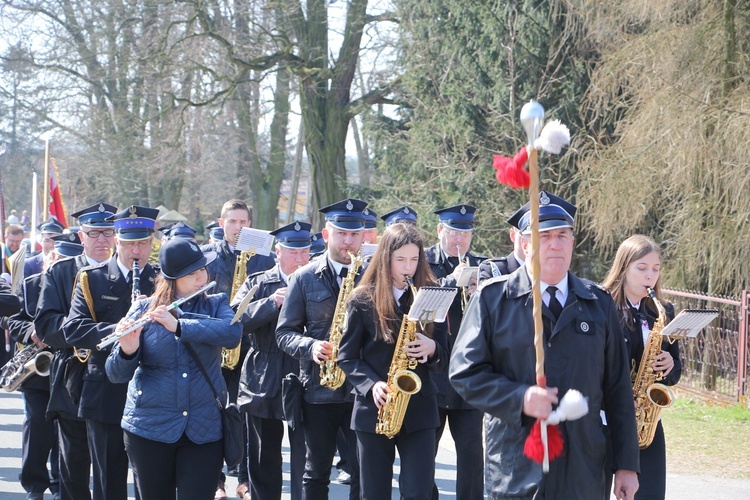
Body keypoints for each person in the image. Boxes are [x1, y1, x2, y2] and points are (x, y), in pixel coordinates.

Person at [449, 191, 640, 499]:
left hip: (582, 464)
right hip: (517, 463)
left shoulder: (597, 303)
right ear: (525, 244)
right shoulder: (493, 299)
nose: (554, 244)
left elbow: (618, 388)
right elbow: (464, 373)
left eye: (563, 235)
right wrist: (520, 398)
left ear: (572, 242)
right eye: (544, 235)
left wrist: (627, 464)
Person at [105, 237, 241, 499]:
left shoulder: (216, 304)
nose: (201, 277)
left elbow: (231, 332)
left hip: (203, 429)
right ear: (173, 278)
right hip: (149, 428)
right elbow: (115, 374)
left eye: (202, 269)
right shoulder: (144, 308)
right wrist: (127, 349)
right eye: (192, 273)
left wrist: (179, 324)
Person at [337, 222, 448, 499]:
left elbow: (445, 354)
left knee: (419, 492)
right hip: (374, 409)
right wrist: (371, 385)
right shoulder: (362, 298)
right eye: (400, 260)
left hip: (419, 409)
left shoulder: (432, 293)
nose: (408, 267)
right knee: (373, 493)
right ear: (385, 259)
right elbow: (347, 356)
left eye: (413, 259)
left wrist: (432, 347)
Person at [63, 205, 160, 500]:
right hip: (105, 390)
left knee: (153, 481)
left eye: (143, 243)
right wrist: (115, 330)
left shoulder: (162, 279)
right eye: (130, 242)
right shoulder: (91, 278)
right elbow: (73, 329)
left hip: (154, 391)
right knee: (108, 480)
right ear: (117, 240)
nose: (136, 250)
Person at [276, 198, 368, 500]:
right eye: (341, 233)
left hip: (362, 390)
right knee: (315, 473)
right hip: (318, 390)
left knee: (364, 472)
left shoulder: (372, 276)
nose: (348, 241)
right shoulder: (303, 278)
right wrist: (312, 346)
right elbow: (284, 333)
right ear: (327, 234)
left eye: (354, 234)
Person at [35, 202, 118, 500]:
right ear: (81, 237)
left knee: (111, 466)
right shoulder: (61, 270)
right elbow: (45, 325)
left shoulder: (124, 273)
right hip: (74, 374)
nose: (102, 240)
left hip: (114, 375)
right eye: (94, 233)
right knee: (73, 466)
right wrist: (90, 332)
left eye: (108, 232)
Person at [201, 199, 275, 497]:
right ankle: (215, 480)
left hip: (248, 348)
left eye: (244, 222)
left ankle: (245, 479)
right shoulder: (206, 258)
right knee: (211, 414)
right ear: (222, 224)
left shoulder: (263, 260)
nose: (239, 227)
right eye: (233, 222)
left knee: (246, 415)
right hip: (213, 346)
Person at [233, 221, 312, 500]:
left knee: (307, 459)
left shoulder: (316, 279)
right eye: (293, 252)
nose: (300, 258)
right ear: (278, 252)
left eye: (305, 252)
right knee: (263, 457)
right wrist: (271, 303)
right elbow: (234, 321)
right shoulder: (258, 281)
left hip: (304, 373)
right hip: (262, 374)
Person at [601, 235, 680, 500]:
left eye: (656, 269)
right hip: (603, 420)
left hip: (645, 423)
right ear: (624, 267)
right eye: (642, 267)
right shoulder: (601, 307)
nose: (650, 276)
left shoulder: (662, 311)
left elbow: (675, 371)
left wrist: (670, 365)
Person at [7, 238, 81, 500]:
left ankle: (62, 485)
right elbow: (11, 320)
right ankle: (35, 486)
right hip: (37, 372)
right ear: (50, 257)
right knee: (37, 427)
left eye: (68, 261)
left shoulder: (85, 285)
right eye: (58, 259)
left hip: (70, 370)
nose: (62, 264)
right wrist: (31, 332)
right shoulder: (31, 284)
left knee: (68, 433)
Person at [424, 203, 485, 499]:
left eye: (466, 233)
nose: (460, 240)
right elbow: (421, 308)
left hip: (469, 373)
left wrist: (480, 295)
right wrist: (451, 282)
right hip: (432, 374)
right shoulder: (423, 262)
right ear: (439, 231)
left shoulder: (483, 267)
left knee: (473, 455)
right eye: (453, 233)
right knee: (424, 455)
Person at [478, 215, 525, 283]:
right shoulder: (494, 269)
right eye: (524, 235)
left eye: (542, 236)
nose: (531, 240)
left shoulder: (545, 269)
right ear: (512, 235)